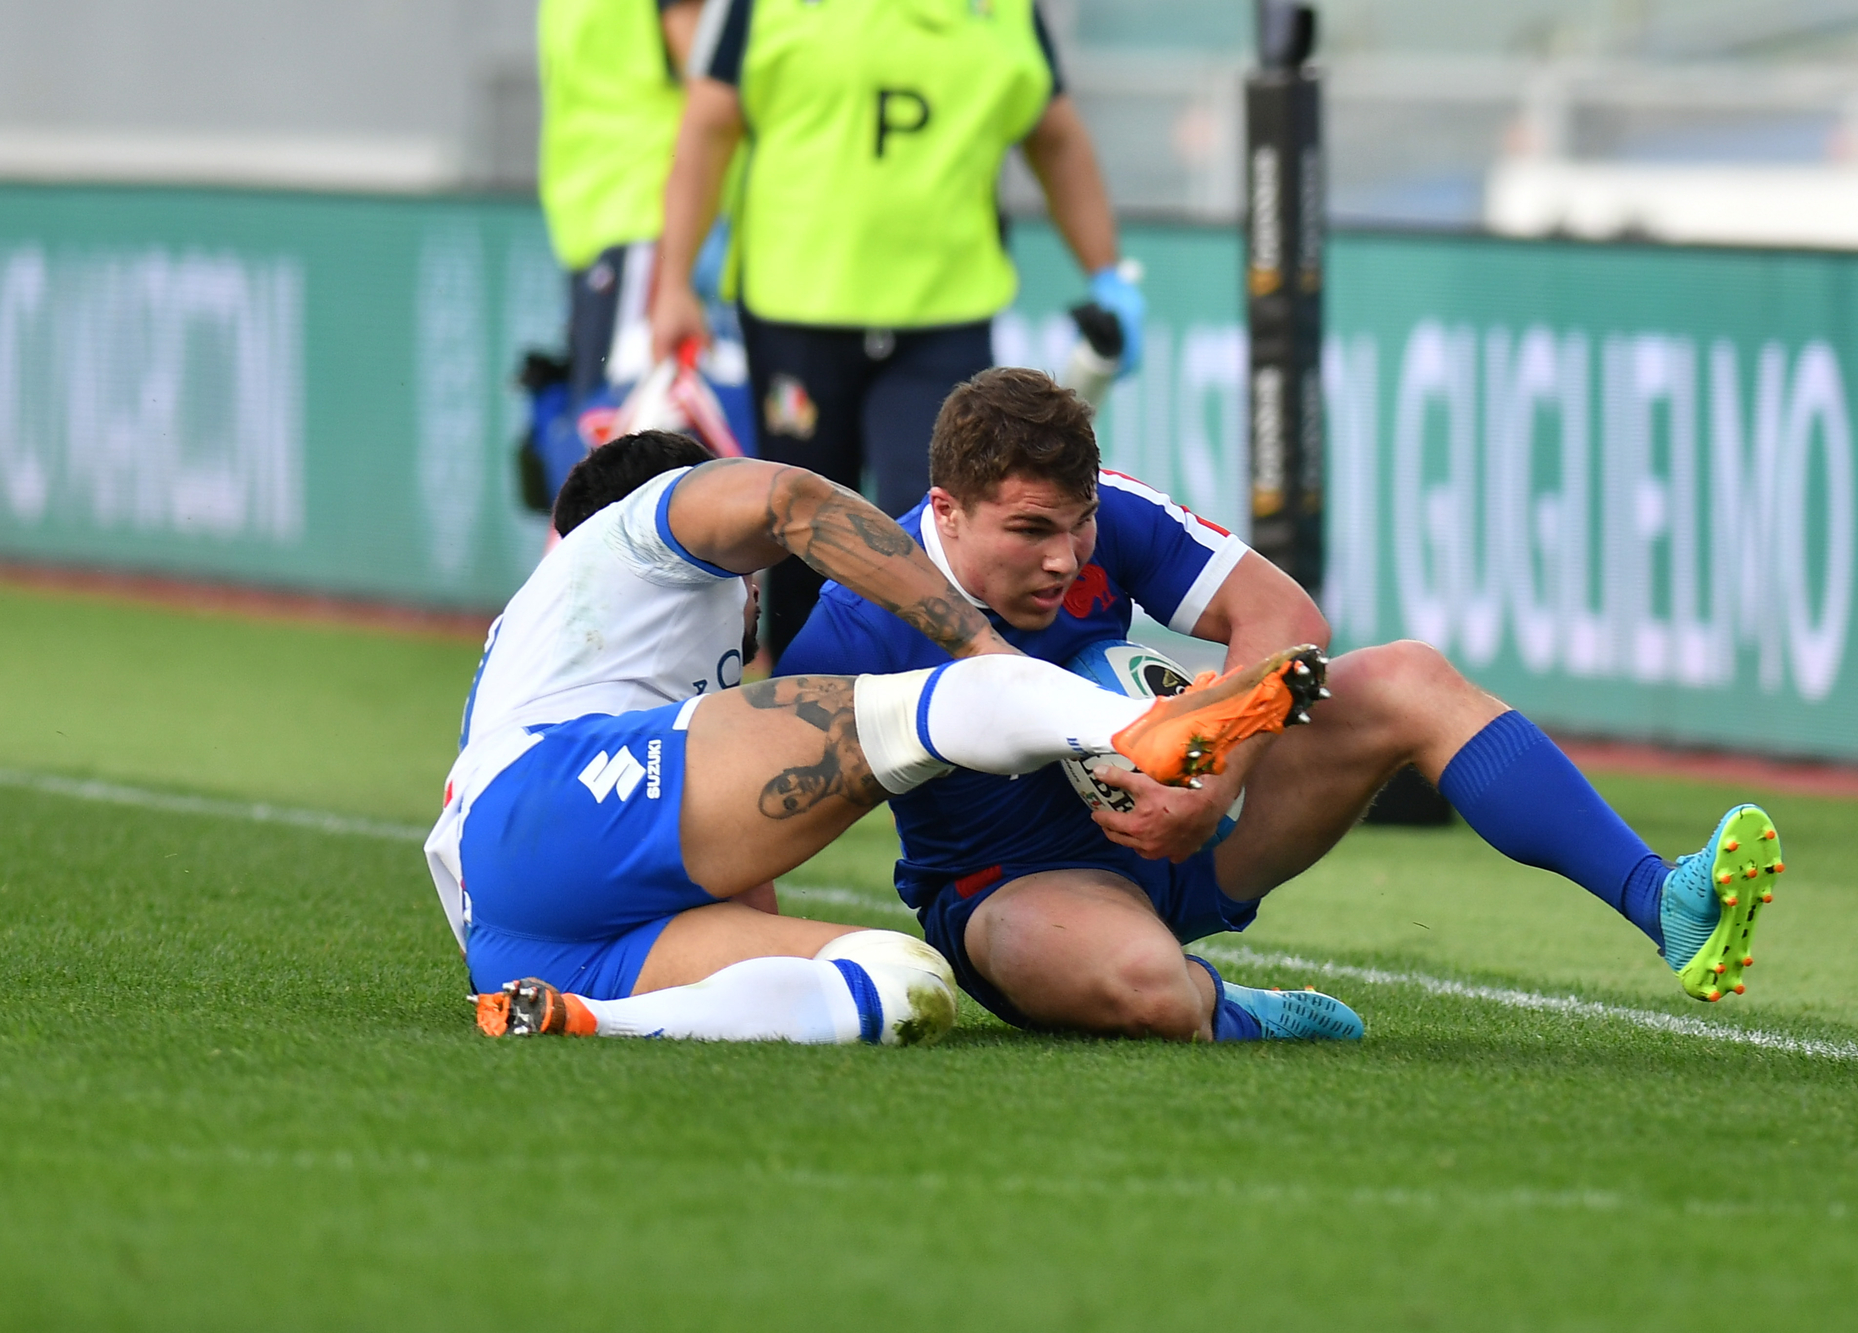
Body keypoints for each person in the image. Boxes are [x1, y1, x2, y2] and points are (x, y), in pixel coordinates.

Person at [776, 369, 1786, 1042]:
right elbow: (760, 813)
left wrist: (1209, 787)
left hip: (1193, 830)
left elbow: (1286, 620)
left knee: (1406, 679)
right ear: (945, 511)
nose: (1063, 556)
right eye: (1032, 529)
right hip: (1016, 893)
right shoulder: (859, 621)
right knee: (1141, 986)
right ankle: (1238, 1008)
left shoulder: (1109, 513)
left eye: (1078, 525)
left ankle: (1665, 900)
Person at [427, 429, 1328, 1045]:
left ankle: (581, 1019)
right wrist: (979, 650)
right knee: (915, 710)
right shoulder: (642, 528)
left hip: (520, 940)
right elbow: (787, 498)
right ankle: (1143, 727)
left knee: (900, 982)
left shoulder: (595, 647)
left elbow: (734, 870)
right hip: (547, 801)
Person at [647, 0, 1144, 660]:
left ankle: (946, 733)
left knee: (942, 530)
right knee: (797, 540)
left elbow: (1054, 137)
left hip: (943, 313)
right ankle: (800, 728)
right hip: (800, 308)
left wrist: (1107, 273)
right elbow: (708, 124)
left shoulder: (1005, 10)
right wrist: (673, 278)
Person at [538, 0, 707, 409]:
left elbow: (715, 83)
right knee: (596, 429)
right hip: (593, 226)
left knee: (622, 439)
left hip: (645, 217)